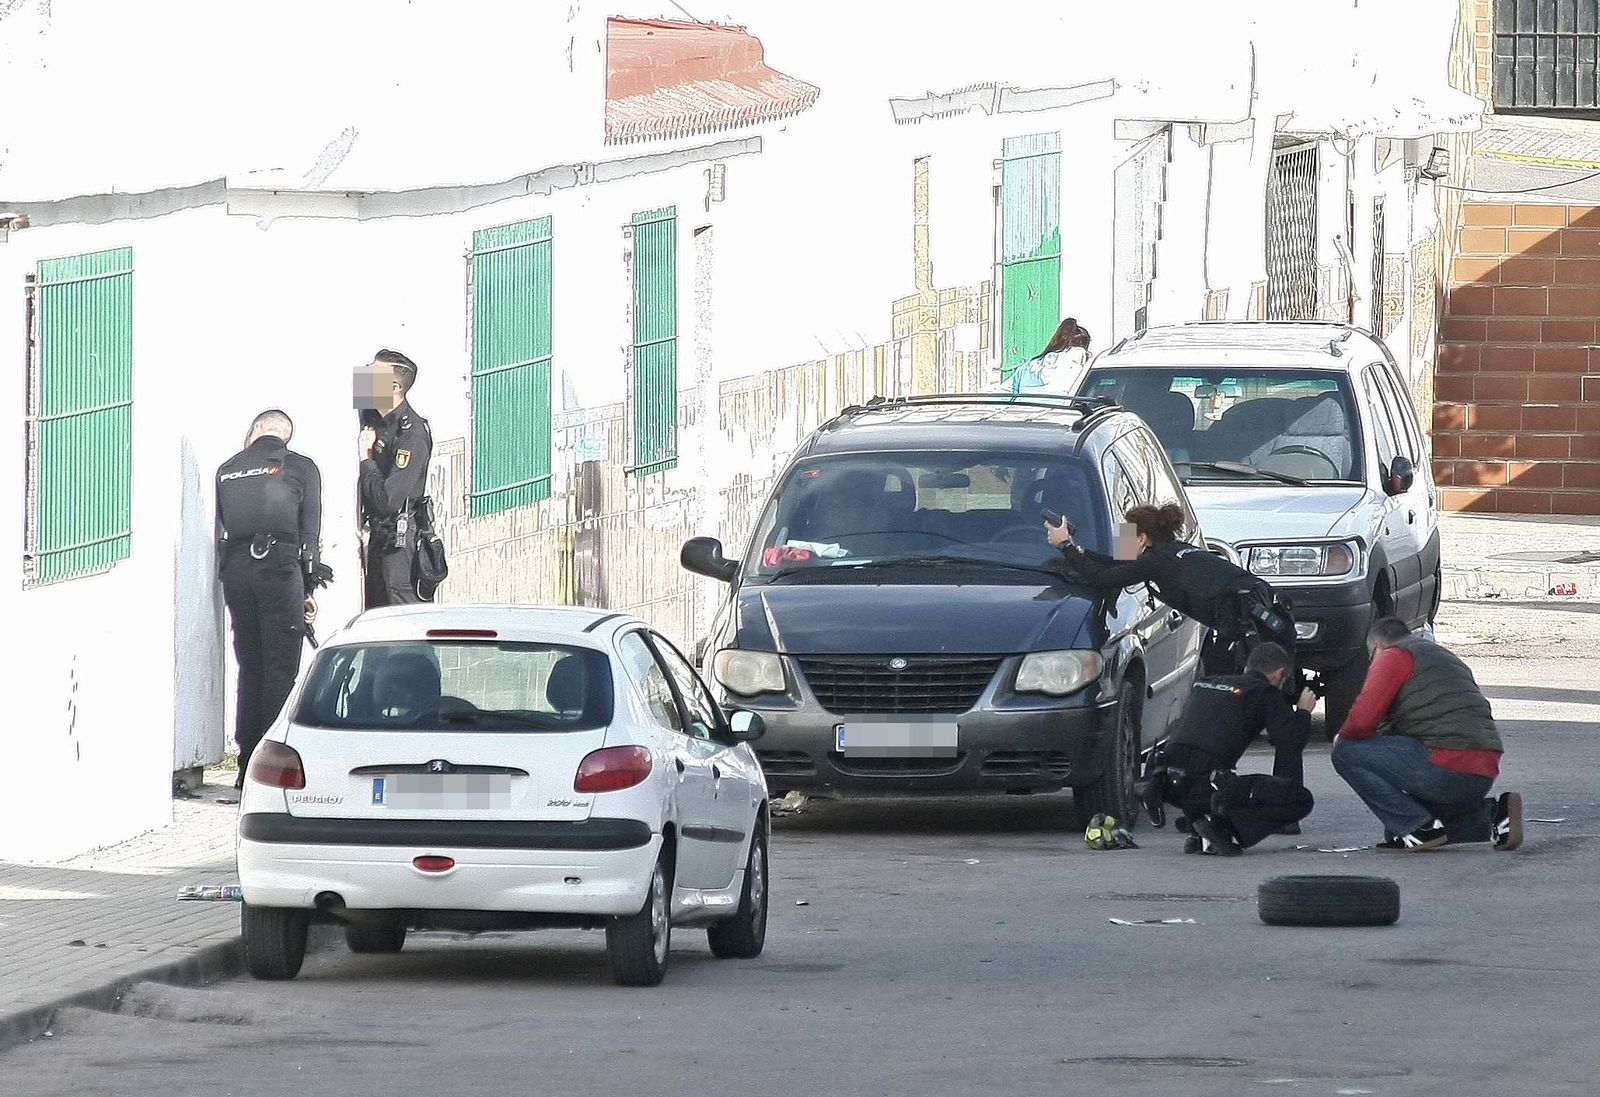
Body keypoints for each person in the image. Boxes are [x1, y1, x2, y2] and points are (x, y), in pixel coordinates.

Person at [1047, 499, 1302, 707]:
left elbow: (1103, 578)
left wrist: (1065, 546)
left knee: (1223, 689)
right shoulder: (1172, 550)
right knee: (1238, 682)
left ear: (1142, 539)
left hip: (1244, 614)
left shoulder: (1155, 561)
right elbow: (1118, 566)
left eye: (1125, 535)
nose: (1120, 540)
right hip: (1257, 600)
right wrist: (1078, 551)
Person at [1331, 617, 1523, 852]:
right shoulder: (1444, 657)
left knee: (1346, 752)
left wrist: (1342, 737)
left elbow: (1362, 721)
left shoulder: (1394, 656)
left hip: (1445, 764)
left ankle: (1418, 829)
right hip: (1482, 770)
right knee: (1396, 829)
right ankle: (1494, 816)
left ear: (1378, 647)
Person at [215, 409, 323, 788]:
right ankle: (270, 767)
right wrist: (308, 590)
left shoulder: (227, 470)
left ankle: (245, 764)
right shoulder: (301, 467)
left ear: (257, 430)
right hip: (278, 569)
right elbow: (309, 536)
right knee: (280, 669)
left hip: (236, 572)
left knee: (250, 668)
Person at [1138, 643, 1316, 855]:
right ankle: (1224, 831)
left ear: (1248, 666)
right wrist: (1304, 712)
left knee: (1203, 777)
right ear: (1279, 674)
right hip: (1209, 785)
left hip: (1167, 782)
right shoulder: (1264, 692)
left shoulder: (1205, 684)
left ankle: (1198, 827)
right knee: (1300, 800)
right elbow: (1291, 742)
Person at [356, 348, 434, 608]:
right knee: (375, 612)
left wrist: (366, 458)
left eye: (372, 374)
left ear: (394, 387)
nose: (364, 377)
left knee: (401, 613)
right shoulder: (375, 416)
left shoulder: (410, 436)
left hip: (399, 538)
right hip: (380, 535)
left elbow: (389, 501)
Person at [1002, 317, 1093, 395]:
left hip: (1021, 409)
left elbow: (1004, 392)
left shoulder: (1030, 365)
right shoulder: (1082, 370)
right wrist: (1089, 362)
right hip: (1063, 410)